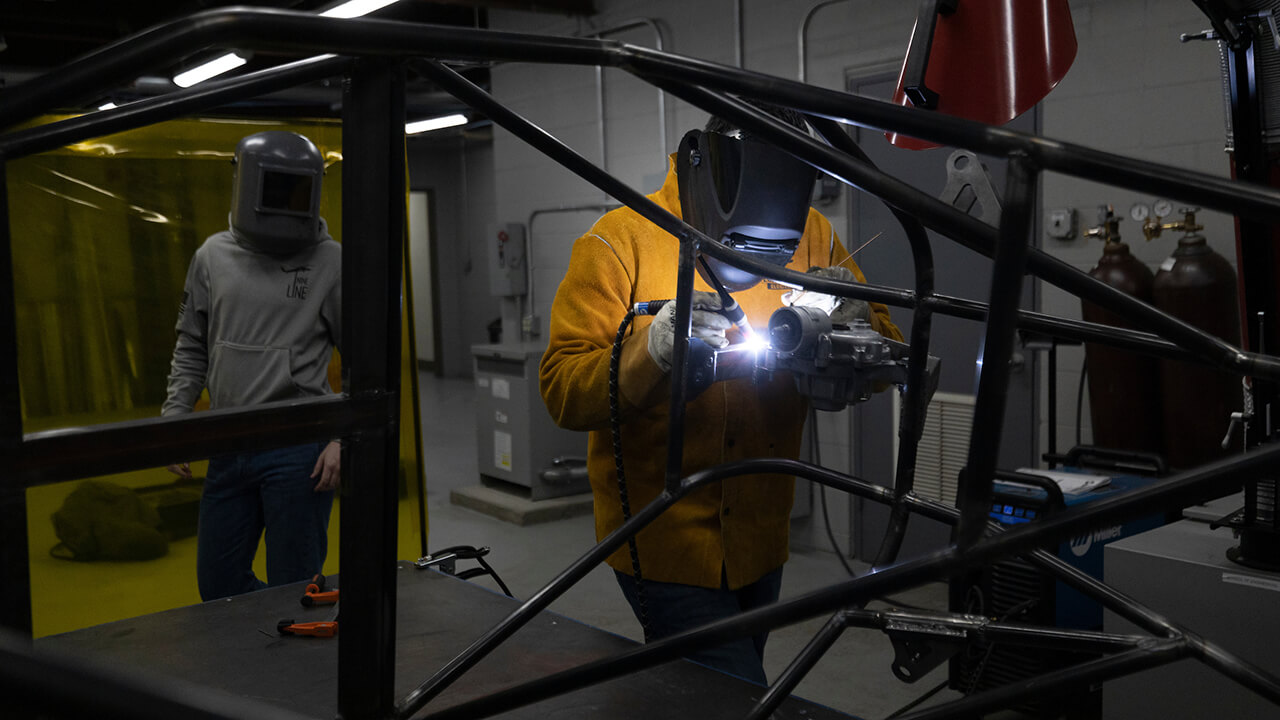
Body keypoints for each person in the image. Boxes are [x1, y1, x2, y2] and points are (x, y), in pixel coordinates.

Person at [539, 105, 903, 684]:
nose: (757, 263)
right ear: (706, 178)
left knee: (714, 694)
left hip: (762, 536)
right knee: (737, 692)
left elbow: (887, 356)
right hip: (661, 540)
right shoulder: (617, 243)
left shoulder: (812, 235)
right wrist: (652, 350)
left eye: (771, 253)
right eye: (739, 247)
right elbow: (562, 393)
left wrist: (857, 323)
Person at [162, 130, 342, 602]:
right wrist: (175, 419)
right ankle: (266, 642)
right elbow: (192, 344)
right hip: (228, 441)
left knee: (293, 584)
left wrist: (342, 439)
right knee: (218, 586)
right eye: (274, 189)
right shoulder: (212, 257)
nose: (284, 203)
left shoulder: (330, 261)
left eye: (296, 189)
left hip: (298, 450)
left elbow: (366, 359)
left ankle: (295, 668)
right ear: (246, 185)